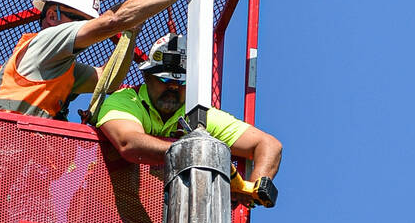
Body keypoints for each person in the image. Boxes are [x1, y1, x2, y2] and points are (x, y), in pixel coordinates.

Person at [0, 0, 208, 120]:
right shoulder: (45, 41)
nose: (89, 28)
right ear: (52, 16)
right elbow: (111, 21)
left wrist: (130, 34)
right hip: (3, 149)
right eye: (80, 21)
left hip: (20, 156)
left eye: (88, 22)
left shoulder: (59, 68)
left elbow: (107, 81)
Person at [96, 32, 282, 183]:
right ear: (147, 77)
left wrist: (255, 187)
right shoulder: (126, 101)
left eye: (182, 82)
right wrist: (195, 151)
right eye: (165, 80)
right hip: (102, 202)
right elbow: (128, 143)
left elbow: (268, 144)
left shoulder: (196, 113)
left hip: (163, 210)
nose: (173, 87)